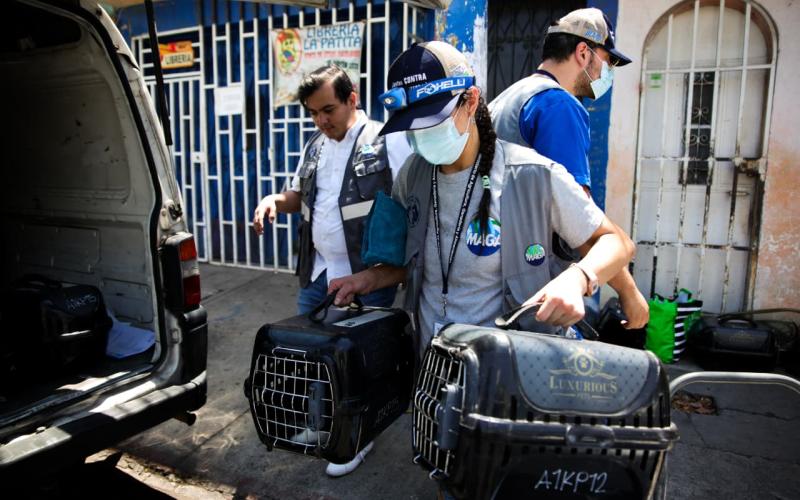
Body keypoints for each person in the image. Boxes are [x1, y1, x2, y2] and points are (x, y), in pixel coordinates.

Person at [328, 41, 635, 365]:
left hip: (505, 378)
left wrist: (578, 278)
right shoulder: (413, 176)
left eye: (432, 121)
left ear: (470, 101)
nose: (420, 135)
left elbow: (617, 242)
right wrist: (367, 279)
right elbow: (413, 263)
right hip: (433, 372)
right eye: (411, 126)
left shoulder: (530, 175)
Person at [252, 65, 410, 477]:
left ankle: (359, 435)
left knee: (357, 360)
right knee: (314, 355)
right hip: (320, 271)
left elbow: (414, 200)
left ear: (352, 98)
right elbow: (299, 196)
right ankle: (321, 422)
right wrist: (274, 200)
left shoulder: (386, 140)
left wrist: (403, 264)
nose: (322, 120)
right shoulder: (315, 146)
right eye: (313, 113)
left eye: (329, 109)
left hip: (366, 274)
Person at [489, 7, 649, 330]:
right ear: (582, 52)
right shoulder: (558, 106)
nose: (609, 72)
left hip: (494, 282)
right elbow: (581, 225)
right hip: (534, 294)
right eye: (608, 61)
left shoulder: (507, 99)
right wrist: (629, 293)